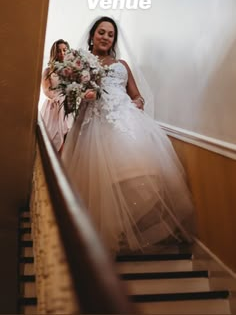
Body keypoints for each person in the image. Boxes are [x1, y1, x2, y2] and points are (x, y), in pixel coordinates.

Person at [62, 17, 194, 254]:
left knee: (142, 172)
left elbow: (137, 95)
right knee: (101, 181)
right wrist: (84, 94)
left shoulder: (122, 64)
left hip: (125, 121)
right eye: (101, 32)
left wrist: (137, 104)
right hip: (94, 127)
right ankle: (101, 234)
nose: (105, 37)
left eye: (110, 34)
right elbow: (70, 99)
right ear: (92, 35)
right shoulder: (78, 63)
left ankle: (124, 226)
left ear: (114, 39)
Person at [41, 39, 73, 153]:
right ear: (54, 53)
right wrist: (59, 99)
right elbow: (46, 90)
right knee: (49, 139)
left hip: (67, 108)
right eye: (59, 51)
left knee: (66, 141)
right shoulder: (48, 71)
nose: (62, 53)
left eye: (64, 50)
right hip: (52, 108)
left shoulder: (72, 71)